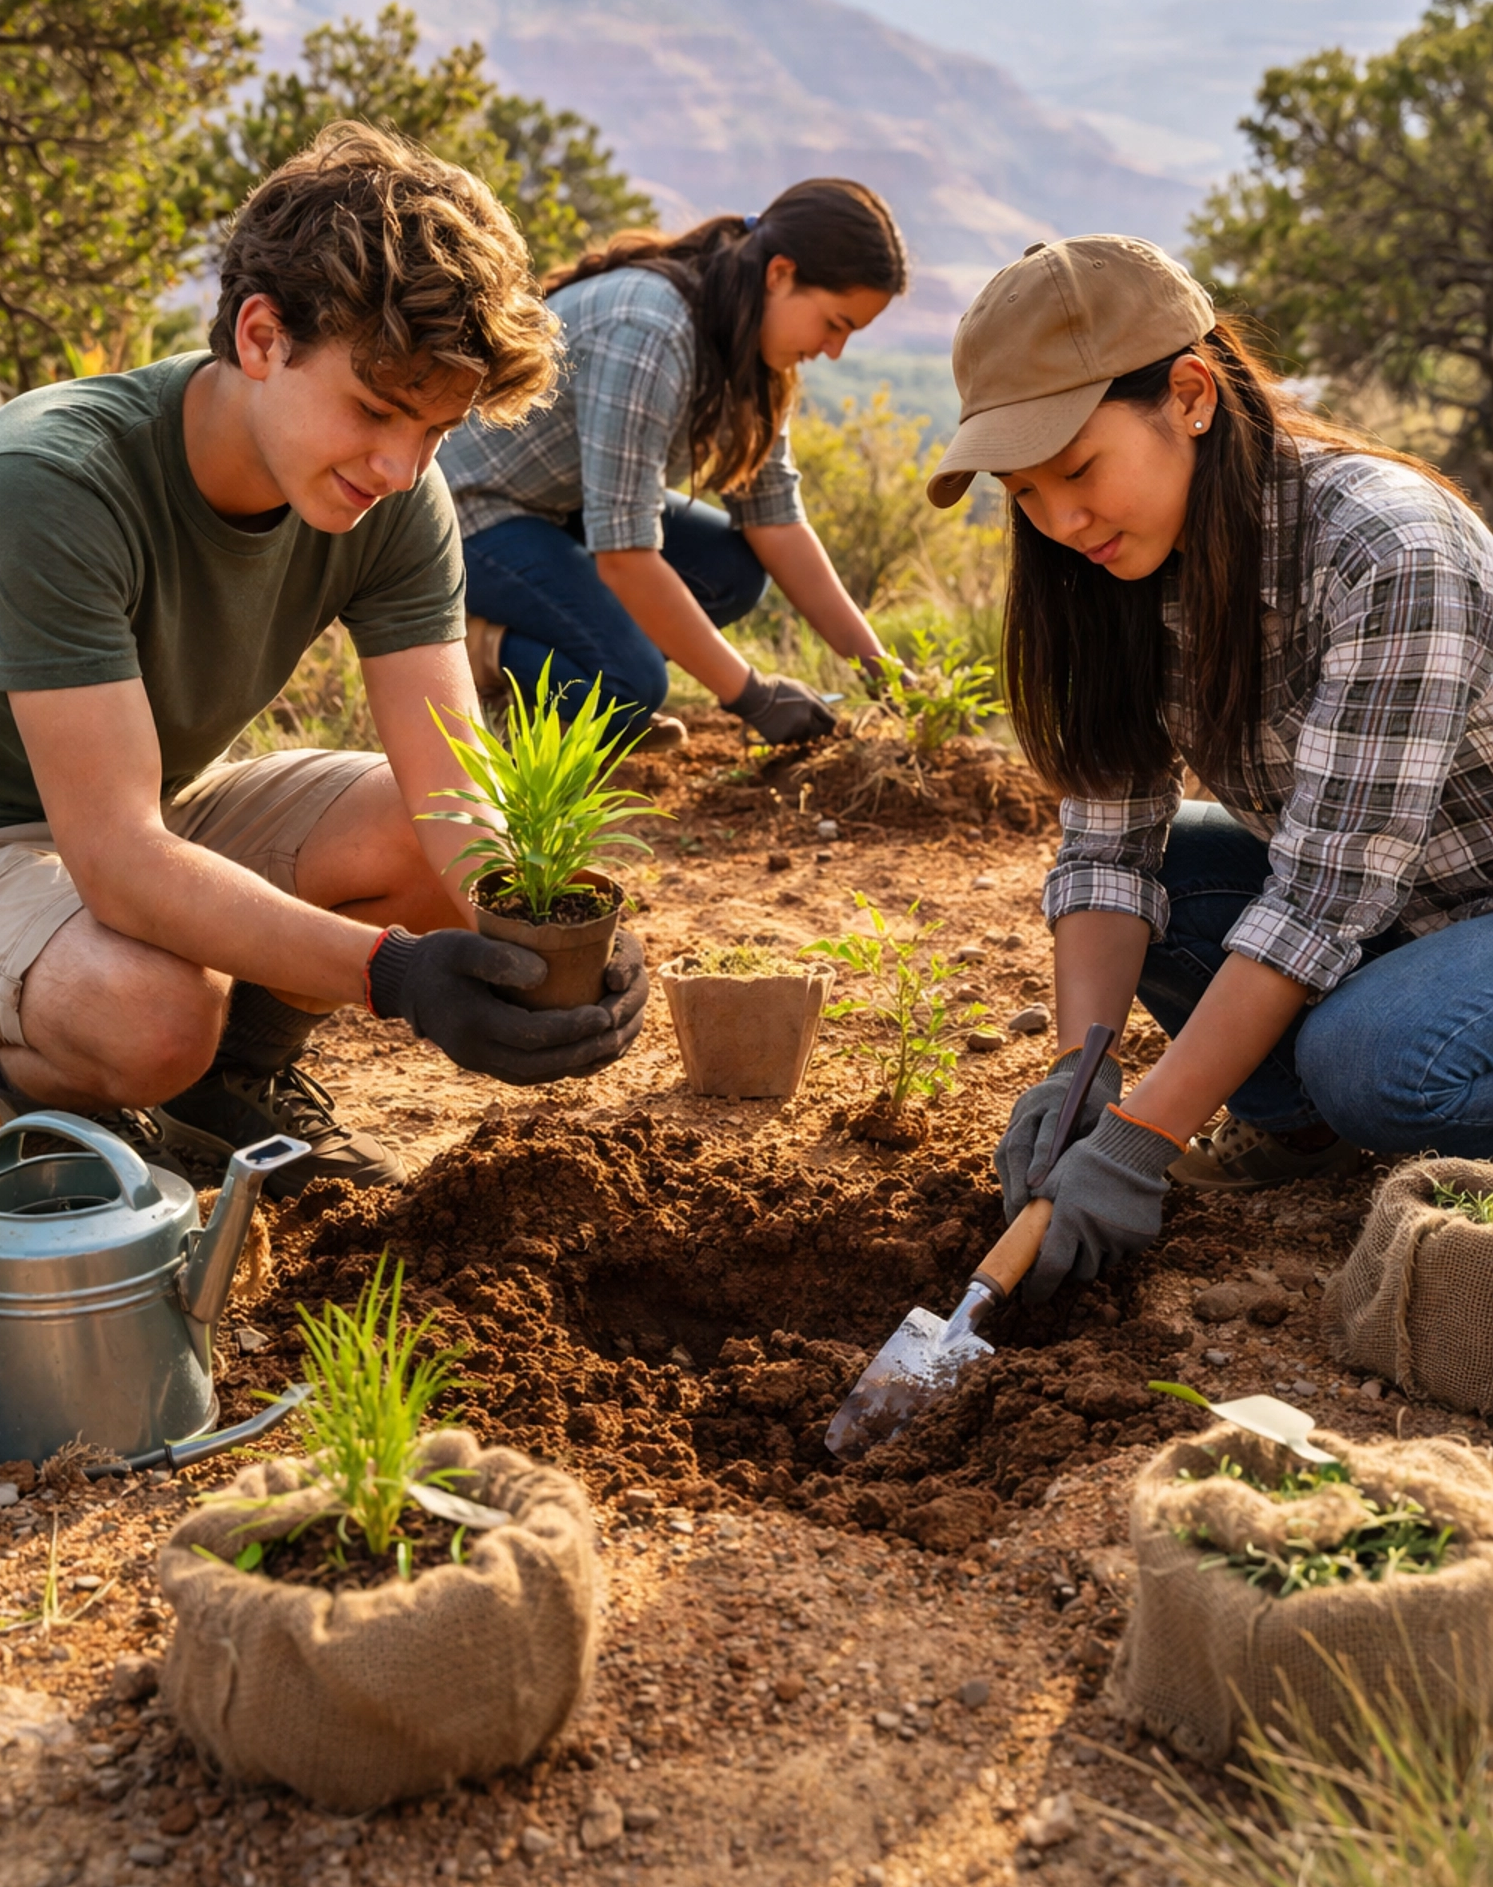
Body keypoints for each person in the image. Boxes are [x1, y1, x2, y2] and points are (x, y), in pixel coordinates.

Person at [0, 122, 648, 1195]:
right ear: (262, 337)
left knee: (429, 846)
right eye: (374, 410)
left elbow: (453, 788)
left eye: (433, 432)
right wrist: (400, 979)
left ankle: (230, 1085)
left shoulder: (396, 495)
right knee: (152, 1011)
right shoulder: (50, 481)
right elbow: (120, 860)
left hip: (134, 807)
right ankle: (53, 1082)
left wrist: (548, 931)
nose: (398, 465)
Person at [927, 233, 1493, 1302]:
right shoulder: (1114, 568)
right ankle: (1311, 1136)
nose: (1061, 521)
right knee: (1173, 882)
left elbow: (1322, 898)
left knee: (1377, 1062)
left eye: (1080, 471)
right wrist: (1080, 1081)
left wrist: (1145, 1140)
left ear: (1189, 395)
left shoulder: (1387, 550)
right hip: (1401, 911)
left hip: (1462, 907)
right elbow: (1107, 847)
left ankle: (1368, 1093)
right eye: (1027, 493)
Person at [439, 179, 910, 749]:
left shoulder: (747, 344)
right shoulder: (652, 331)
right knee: (632, 681)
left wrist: (883, 672)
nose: (834, 350)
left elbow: (776, 524)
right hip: (466, 512)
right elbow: (625, 556)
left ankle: (587, 672)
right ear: (780, 274)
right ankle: (482, 653)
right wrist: (751, 694)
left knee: (731, 572)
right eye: (835, 324)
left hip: (558, 507)